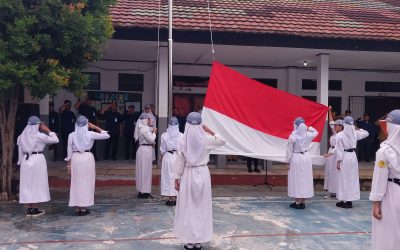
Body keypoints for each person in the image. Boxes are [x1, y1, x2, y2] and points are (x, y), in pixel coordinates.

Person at [174, 112, 226, 250]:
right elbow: (222, 141)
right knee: (201, 206)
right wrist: (209, 130)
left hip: (188, 174)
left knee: (188, 206)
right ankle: (198, 240)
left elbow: (179, 160)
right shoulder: (206, 139)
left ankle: (189, 241)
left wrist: (177, 178)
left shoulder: (182, 140)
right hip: (203, 173)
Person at [65, 116, 110, 216]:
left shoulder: (71, 135)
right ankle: (84, 208)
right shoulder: (90, 133)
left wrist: (68, 165)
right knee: (86, 182)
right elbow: (106, 135)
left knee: (76, 183)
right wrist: (95, 127)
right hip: (87, 158)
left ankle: (77, 208)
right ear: (87, 125)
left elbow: (69, 152)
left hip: (75, 158)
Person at [369, 110, 400, 249]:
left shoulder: (384, 151)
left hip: (391, 194)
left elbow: (379, 179)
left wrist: (376, 203)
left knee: (386, 233)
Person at [17, 116, 59, 216]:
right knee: (37, 183)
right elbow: (56, 140)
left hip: (26, 161)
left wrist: (20, 162)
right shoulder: (40, 136)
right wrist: (47, 130)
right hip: (37, 159)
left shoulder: (21, 136)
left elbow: (20, 152)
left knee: (27, 184)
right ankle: (35, 209)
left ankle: (29, 209)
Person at [335, 116, 369, 209]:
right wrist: (358, 128)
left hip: (345, 156)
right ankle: (348, 200)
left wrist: (338, 161)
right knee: (351, 177)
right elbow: (366, 133)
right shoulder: (355, 133)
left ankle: (345, 200)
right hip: (353, 156)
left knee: (343, 178)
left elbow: (339, 150)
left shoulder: (340, 135)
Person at [286, 117, 318, 209]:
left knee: (297, 179)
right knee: (305, 179)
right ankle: (303, 202)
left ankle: (297, 202)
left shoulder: (293, 136)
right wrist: (309, 128)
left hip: (296, 157)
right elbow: (316, 132)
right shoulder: (308, 135)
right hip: (306, 157)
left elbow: (289, 151)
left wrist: (287, 161)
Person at [160, 117, 183, 206]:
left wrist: (162, 155)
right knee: (177, 176)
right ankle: (176, 197)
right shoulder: (181, 135)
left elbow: (162, 149)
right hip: (178, 156)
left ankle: (170, 198)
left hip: (168, 156)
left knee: (168, 176)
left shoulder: (164, 135)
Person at [134, 113, 157, 199]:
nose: (149, 121)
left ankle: (142, 190)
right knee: (145, 171)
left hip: (144, 150)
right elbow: (151, 139)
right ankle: (145, 192)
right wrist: (154, 133)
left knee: (142, 171)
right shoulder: (144, 129)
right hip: (145, 151)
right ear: (144, 120)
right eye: (148, 119)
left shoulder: (144, 128)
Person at [323, 107, 344, 199]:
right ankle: (332, 191)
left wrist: (330, 154)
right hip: (331, 153)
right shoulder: (335, 133)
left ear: (341, 126)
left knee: (336, 173)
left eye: (336, 125)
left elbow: (339, 147)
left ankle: (337, 191)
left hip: (336, 154)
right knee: (330, 172)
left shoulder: (342, 135)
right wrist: (329, 111)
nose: (334, 127)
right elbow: (331, 122)